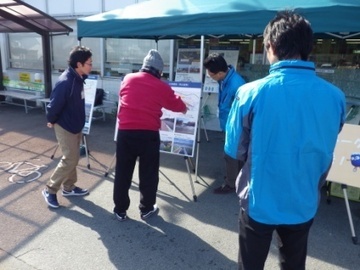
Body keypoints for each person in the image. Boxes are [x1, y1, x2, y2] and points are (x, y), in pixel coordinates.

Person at [225, 11, 346, 270]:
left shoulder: (249, 93)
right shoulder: (335, 97)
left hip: (259, 199)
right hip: (304, 198)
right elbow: (329, 139)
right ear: (308, 47)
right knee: (294, 263)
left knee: (250, 264)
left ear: (271, 46)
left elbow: (234, 148)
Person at [113, 49, 187, 221]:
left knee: (123, 172)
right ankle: (146, 209)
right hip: (148, 134)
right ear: (159, 71)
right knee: (148, 173)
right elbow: (176, 105)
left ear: (144, 66)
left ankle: (120, 210)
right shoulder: (161, 86)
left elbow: (123, 96)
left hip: (125, 133)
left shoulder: (128, 79)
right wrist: (183, 106)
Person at [42, 45, 93, 209]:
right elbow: (54, 105)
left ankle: (69, 187)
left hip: (75, 125)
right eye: (89, 63)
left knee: (73, 158)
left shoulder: (78, 78)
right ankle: (50, 189)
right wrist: (51, 119)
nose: (91, 66)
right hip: (65, 126)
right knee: (69, 158)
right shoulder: (66, 81)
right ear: (79, 64)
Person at [203, 53, 246, 194]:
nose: (210, 77)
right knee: (233, 155)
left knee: (231, 155)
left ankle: (231, 183)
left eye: (212, 75)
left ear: (220, 72)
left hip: (236, 127)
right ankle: (236, 180)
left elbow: (243, 111)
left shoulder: (236, 84)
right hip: (228, 124)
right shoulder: (224, 80)